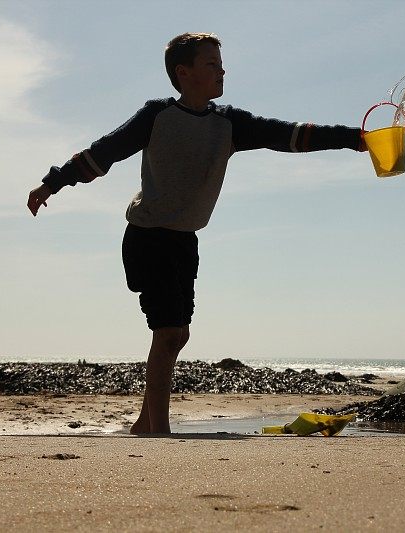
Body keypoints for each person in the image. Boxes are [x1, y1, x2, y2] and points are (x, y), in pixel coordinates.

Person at [27, 32, 366, 434]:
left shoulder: (230, 123)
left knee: (177, 334)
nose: (221, 70)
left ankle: (143, 423)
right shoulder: (156, 116)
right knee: (169, 332)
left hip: (184, 240)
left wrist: (354, 139)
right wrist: (53, 183)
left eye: (221, 64)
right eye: (211, 64)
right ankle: (159, 430)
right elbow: (103, 153)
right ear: (183, 73)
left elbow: (290, 135)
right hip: (148, 235)